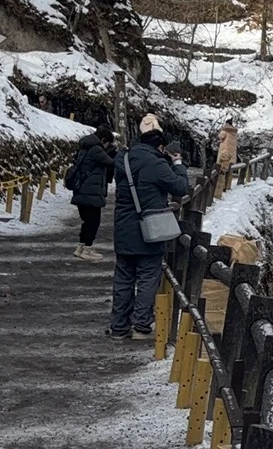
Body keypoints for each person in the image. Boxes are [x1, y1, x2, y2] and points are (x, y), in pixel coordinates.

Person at [108, 114, 188, 342]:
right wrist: (178, 163)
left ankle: (118, 327)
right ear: (160, 145)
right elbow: (181, 187)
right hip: (149, 231)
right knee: (147, 278)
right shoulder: (157, 164)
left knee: (123, 279)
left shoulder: (123, 160)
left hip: (123, 229)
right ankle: (141, 326)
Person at [65, 124, 115, 260]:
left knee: (87, 221)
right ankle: (88, 248)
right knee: (93, 221)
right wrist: (114, 152)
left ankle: (81, 247)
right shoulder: (96, 149)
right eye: (108, 143)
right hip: (91, 192)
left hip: (81, 190)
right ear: (104, 139)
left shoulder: (85, 147)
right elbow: (111, 163)